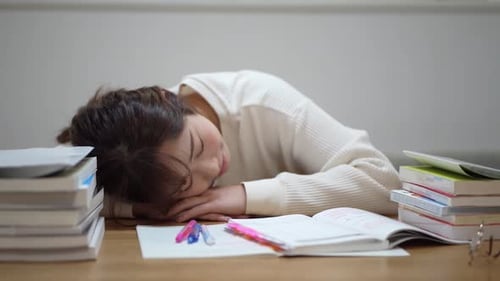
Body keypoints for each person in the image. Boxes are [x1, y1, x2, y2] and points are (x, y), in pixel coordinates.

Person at [57, 70, 401, 222]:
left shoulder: (263, 101)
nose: (211, 169)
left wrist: (242, 195)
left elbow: (383, 181)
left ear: (169, 96)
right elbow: (36, 194)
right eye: (185, 186)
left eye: (195, 147)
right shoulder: (124, 159)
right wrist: (131, 209)